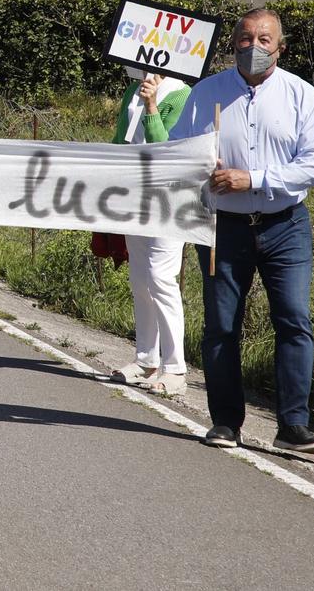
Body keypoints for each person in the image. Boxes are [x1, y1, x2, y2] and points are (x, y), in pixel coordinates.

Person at [173, 9, 314, 455]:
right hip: (225, 226)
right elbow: (181, 154)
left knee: (294, 321)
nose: (253, 47)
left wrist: (253, 178)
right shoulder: (206, 94)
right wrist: (202, 170)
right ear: (233, 44)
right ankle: (225, 422)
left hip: (286, 226)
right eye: (244, 38)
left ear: (280, 46)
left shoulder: (304, 97)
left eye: (264, 39)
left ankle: (293, 427)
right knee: (221, 326)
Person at [107, 68, 191, 397]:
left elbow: (166, 148)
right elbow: (120, 140)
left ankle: (175, 368)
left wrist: (153, 105)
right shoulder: (132, 90)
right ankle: (146, 360)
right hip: (134, 197)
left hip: (170, 201)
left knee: (161, 277)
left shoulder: (183, 95)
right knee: (140, 279)